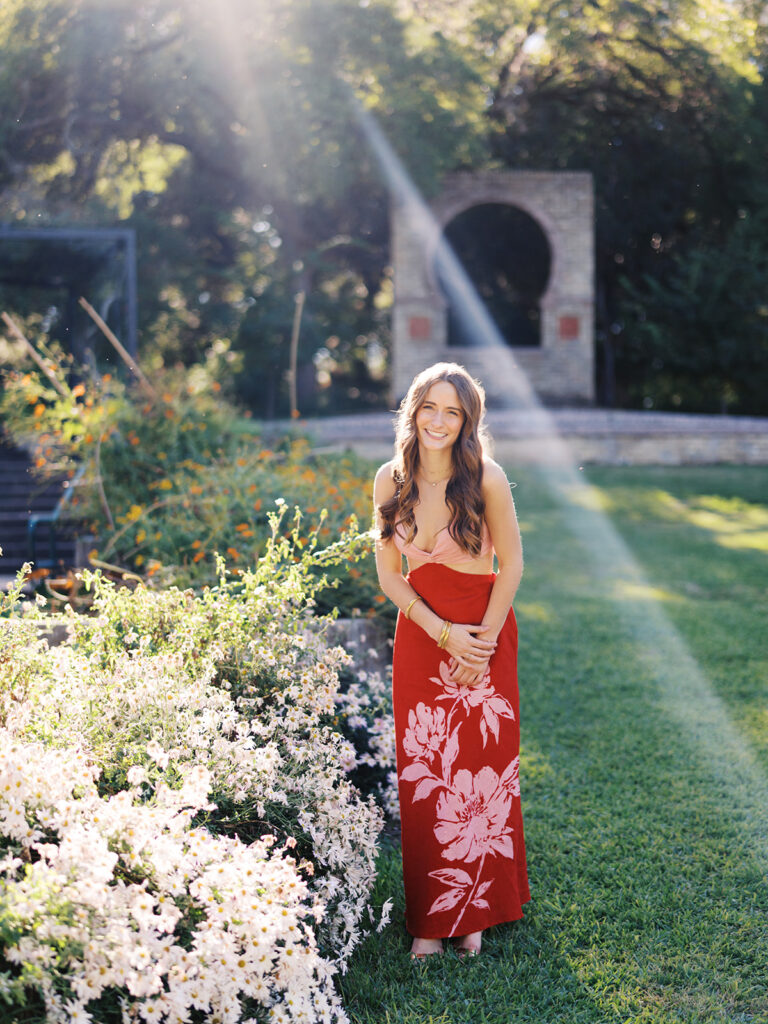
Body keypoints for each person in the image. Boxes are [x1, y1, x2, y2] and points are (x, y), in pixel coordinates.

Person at [373, 362, 529, 959]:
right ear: (413, 412)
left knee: (483, 775)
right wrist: (444, 636)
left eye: (452, 412)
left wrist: (480, 643)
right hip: (422, 634)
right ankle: (428, 920)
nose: (438, 421)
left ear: (468, 422)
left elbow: (510, 565)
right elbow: (391, 575)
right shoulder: (390, 480)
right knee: (427, 776)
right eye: (429, 408)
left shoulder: (486, 477)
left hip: (486, 630)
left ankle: (475, 913)